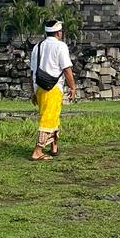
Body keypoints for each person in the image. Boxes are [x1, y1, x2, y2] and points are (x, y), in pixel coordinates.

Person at [29, 19, 76, 161]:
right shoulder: (60, 46)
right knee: (48, 118)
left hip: (39, 86)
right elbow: (66, 69)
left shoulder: (37, 47)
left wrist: (33, 92)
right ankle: (38, 151)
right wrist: (73, 87)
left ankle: (54, 146)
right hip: (53, 87)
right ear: (58, 33)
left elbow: (32, 71)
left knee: (52, 115)